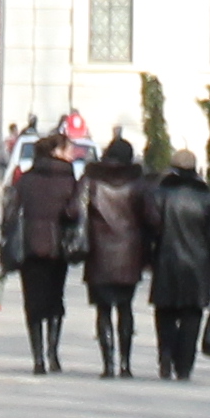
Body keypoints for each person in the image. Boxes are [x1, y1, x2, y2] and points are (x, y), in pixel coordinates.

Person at [2, 129, 86, 373]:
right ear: (56, 152)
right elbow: (73, 214)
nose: (73, 154)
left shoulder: (25, 180)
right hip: (58, 247)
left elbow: (10, 214)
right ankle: (53, 353)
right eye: (68, 149)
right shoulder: (69, 180)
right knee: (55, 299)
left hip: (29, 247)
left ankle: (37, 358)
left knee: (33, 302)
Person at [78, 132, 154, 379]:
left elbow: (73, 208)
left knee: (102, 310)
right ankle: (125, 364)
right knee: (125, 308)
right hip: (129, 256)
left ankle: (108, 364)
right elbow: (152, 218)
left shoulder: (91, 180)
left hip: (98, 254)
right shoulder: (138, 184)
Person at [146, 143, 210, 381]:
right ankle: (185, 366)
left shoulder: (160, 195)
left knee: (165, 314)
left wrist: (149, 258)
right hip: (197, 267)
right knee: (192, 316)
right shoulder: (208, 199)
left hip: (166, 262)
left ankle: (166, 358)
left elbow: (152, 231)